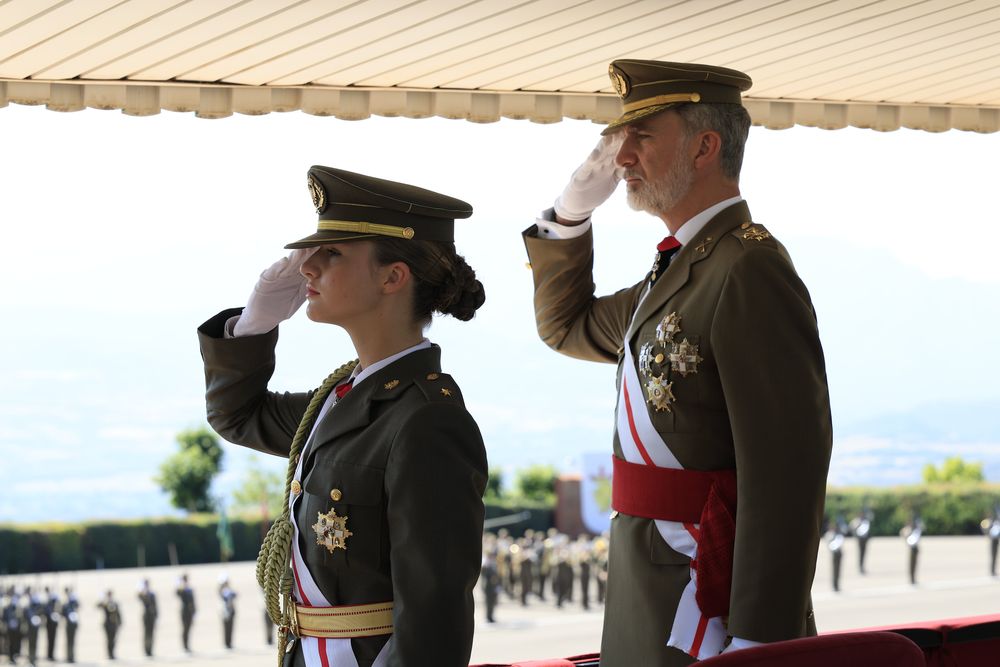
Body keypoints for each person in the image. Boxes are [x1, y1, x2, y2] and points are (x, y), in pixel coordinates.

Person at [523, 59, 833, 665]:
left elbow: (786, 469)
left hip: (705, 591)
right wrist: (570, 214)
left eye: (642, 137)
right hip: (654, 573)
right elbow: (566, 326)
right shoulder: (680, 270)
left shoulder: (748, 268)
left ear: (705, 147)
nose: (622, 158)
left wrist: (761, 633)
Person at [198, 166, 489, 667]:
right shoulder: (341, 397)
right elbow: (237, 415)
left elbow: (433, 622)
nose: (307, 268)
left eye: (331, 254)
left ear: (392, 276)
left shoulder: (425, 420)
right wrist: (255, 322)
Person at [96, 590, 121, 660]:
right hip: (107, 624)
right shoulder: (105, 603)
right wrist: (102, 600)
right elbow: (97, 606)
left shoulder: (115, 603)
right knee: (108, 639)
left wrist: (119, 623)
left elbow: (118, 614)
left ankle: (112, 653)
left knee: (113, 640)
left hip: (114, 624)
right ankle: (109, 654)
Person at [824, 518, 847, 592]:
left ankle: (837, 585)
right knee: (834, 570)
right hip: (834, 553)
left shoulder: (838, 534)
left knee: (838, 570)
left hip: (839, 553)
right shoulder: (829, 534)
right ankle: (834, 585)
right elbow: (829, 544)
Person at [850, 506, 874, 574]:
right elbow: (852, 527)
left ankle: (862, 566)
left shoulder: (866, 520)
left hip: (865, 538)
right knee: (860, 553)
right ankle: (860, 567)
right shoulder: (857, 520)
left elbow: (871, 518)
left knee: (864, 553)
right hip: (860, 539)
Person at [901, 513, 924, 585]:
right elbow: (903, 533)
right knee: (912, 564)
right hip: (912, 547)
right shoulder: (909, 529)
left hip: (915, 547)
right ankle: (912, 579)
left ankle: (913, 579)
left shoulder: (916, 529)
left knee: (914, 564)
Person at [138, 578, 157, 657]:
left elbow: (155, 606)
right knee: (146, 634)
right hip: (146, 616)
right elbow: (139, 597)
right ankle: (146, 650)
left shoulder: (152, 594)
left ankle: (150, 650)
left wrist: (156, 615)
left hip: (152, 616)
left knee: (152, 634)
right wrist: (143, 590)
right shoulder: (143, 594)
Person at [176, 574, 195, 652]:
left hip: (190, 611)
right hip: (184, 611)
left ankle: (187, 645)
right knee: (185, 629)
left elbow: (193, 601)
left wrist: (194, 611)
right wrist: (180, 584)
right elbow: (177, 593)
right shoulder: (182, 589)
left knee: (189, 628)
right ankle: (185, 646)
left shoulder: (189, 589)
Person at [61, 587, 79, 663]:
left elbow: (78, 605)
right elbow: (62, 613)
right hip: (68, 624)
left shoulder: (74, 602)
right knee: (69, 641)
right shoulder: (66, 604)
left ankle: (72, 657)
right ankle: (69, 657)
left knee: (73, 641)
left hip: (73, 624)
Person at [219, 577, 237, 649]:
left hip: (231, 611)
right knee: (226, 628)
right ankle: (226, 643)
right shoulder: (222, 591)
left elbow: (235, 594)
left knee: (230, 628)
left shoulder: (229, 590)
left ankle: (229, 643)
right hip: (225, 611)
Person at [42, 587, 59, 662]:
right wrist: (51, 615)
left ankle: (51, 655)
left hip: (54, 625)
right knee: (50, 640)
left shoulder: (55, 602)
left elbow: (59, 610)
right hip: (49, 624)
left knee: (53, 640)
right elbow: (46, 612)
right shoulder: (47, 603)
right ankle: (49, 655)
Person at [983, 505, 1000, 577]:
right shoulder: (991, 522)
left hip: (996, 539)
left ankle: (993, 571)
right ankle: (992, 571)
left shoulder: (996, 522)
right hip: (993, 540)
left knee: (994, 556)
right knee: (993, 555)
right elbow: (986, 529)